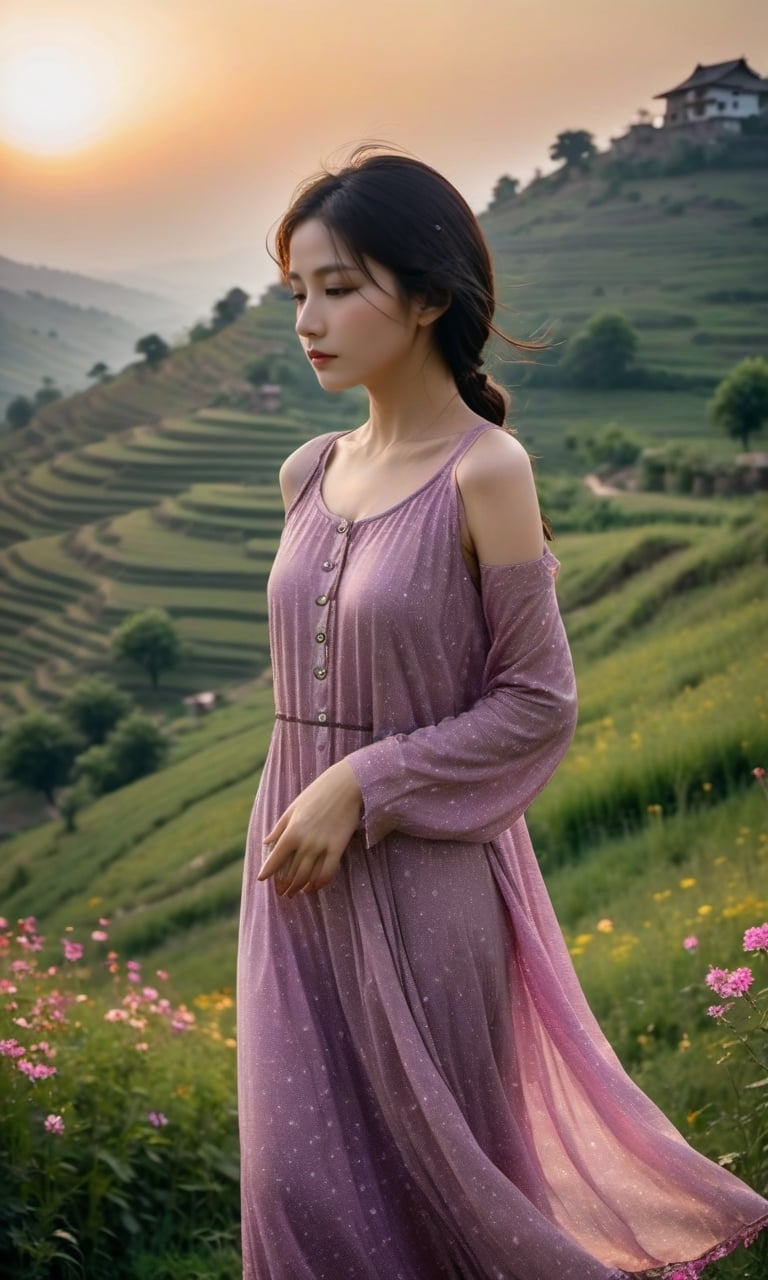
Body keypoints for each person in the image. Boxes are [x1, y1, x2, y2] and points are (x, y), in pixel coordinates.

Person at [237, 148, 768, 1280]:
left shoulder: (489, 471)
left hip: (429, 877)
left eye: (338, 287)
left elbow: (537, 702)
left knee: (448, 1181)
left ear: (428, 296)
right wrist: (318, 786)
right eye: (298, 293)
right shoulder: (304, 471)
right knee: (296, 1181)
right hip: (291, 874)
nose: (309, 320)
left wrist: (364, 782)